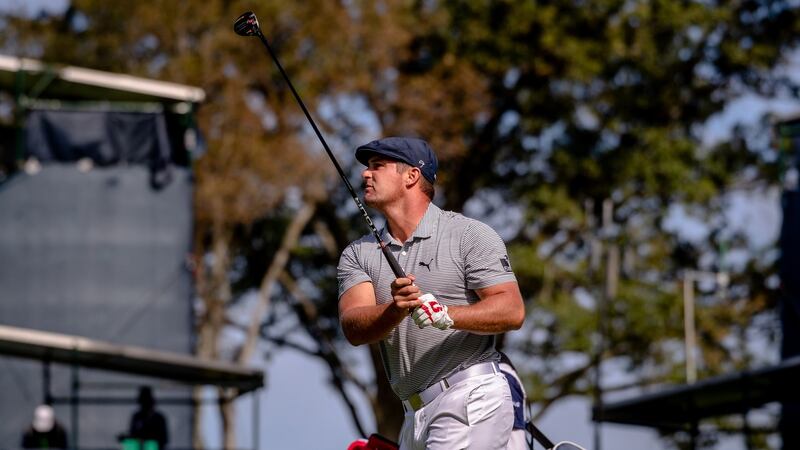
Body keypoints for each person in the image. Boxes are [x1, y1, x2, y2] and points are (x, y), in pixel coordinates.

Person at [338, 137, 526, 450]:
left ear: (411, 176)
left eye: (377, 166)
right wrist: (394, 309)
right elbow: (353, 327)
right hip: (413, 415)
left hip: (469, 395)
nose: (365, 175)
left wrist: (446, 315)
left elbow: (512, 310)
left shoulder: (468, 234)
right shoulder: (358, 253)